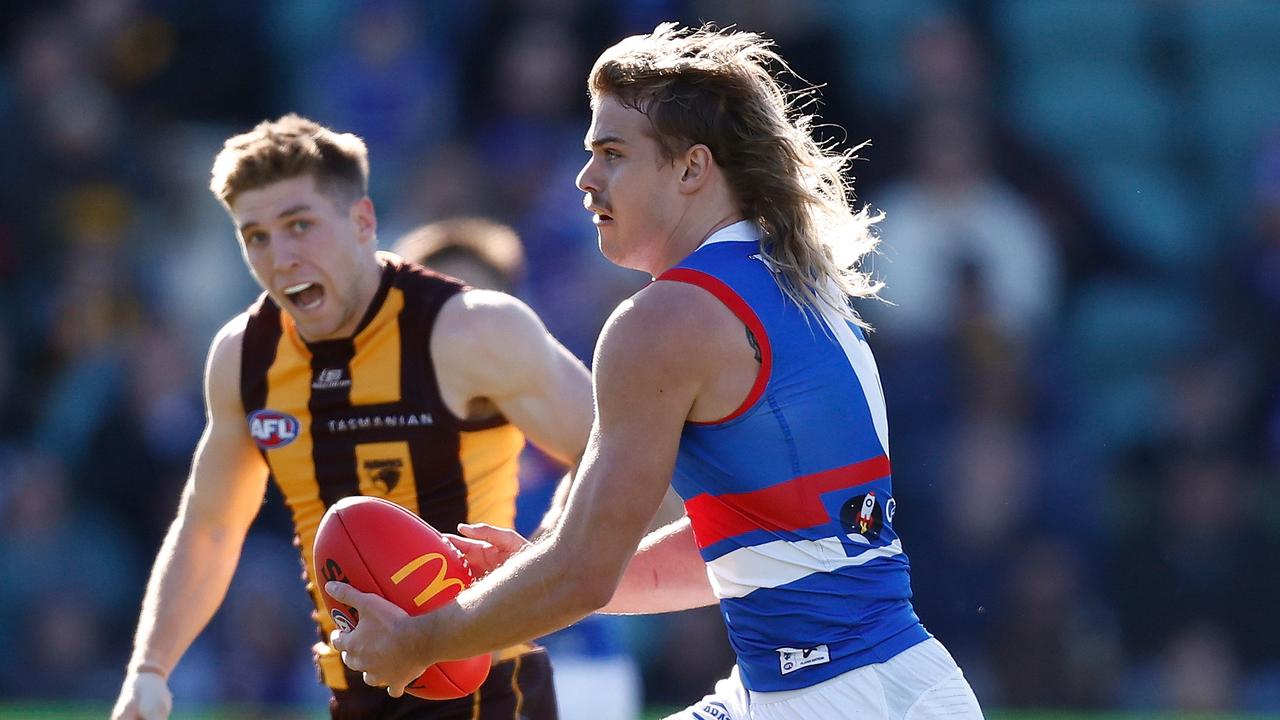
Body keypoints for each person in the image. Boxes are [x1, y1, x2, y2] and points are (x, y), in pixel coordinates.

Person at [327, 23, 985, 719]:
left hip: (831, 697)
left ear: (692, 169)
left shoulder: (665, 321)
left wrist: (421, 641)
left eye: (612, 154)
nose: (585, 179)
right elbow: (733, 547)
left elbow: (580, 572)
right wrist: (528, 572)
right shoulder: (795, 281)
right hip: (884, 686)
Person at [111, 115, 593, 720]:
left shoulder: (472, 328)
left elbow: (624, 452)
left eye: (299, 226)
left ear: (363, 221)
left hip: (483, 689)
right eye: (255, 236)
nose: (280, 256)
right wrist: (149, 671)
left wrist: (544, 551)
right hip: (355, 694)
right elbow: (209, 527)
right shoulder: (245, 356)